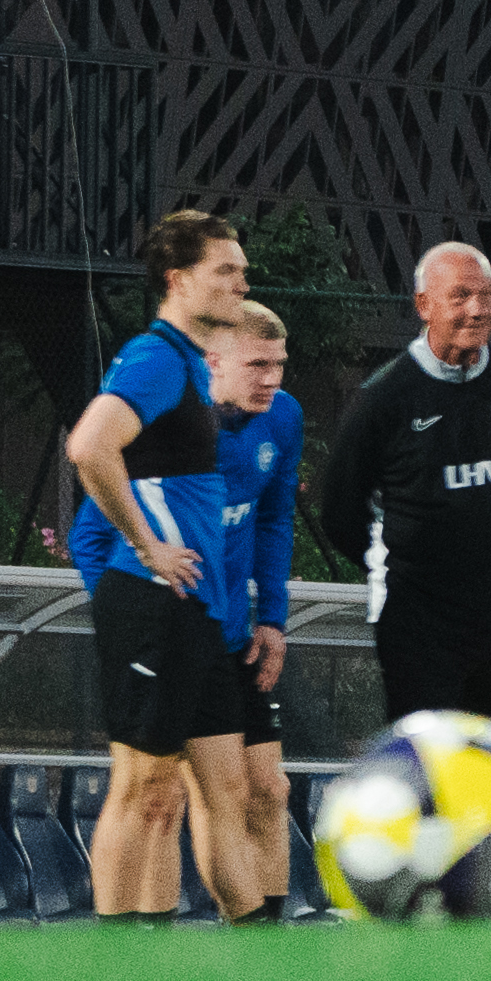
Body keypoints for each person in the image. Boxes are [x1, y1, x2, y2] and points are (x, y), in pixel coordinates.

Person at [60, 212, 244, 922]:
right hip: (150, 600)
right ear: (177, 279)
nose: (240, 283)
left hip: (184, 605)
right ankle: (111, 963)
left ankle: (148, 955)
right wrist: (144, 545)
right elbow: (88, 447)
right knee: (139, 786)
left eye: (241, 271)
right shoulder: (156, 356)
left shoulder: (189, 363)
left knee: (166, 791)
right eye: (224, 270)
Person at [311, 241, 491, 739]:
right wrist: (403, 564)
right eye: (461, 296)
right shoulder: (382, 397)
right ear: (423, 305)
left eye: (487, 296)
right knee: (431, 773)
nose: (477, 310)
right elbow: (339, 509)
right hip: (418, 626)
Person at [199, 302, 308, 918]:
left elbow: (273, 519)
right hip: (181, 631)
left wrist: (273, 618)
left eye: (280, 365)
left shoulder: (283, 418)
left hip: (238, 634)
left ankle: (270, 937)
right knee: (189, 795)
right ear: (216, 362)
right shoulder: (180, 420)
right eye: (257, 364)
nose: (272, 378)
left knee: (270, 788)